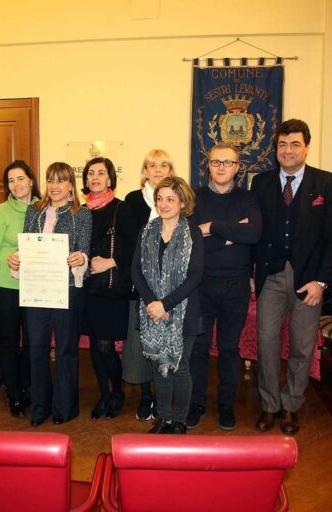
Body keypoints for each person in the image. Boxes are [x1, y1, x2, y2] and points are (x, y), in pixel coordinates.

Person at [251, 119, 332, 435]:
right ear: (275, 148)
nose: (288, 150)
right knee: (266, 342)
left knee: (303, 346)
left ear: (306, 147)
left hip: (309, 281)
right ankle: (269, 404)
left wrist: (321, 281)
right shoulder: (260, 183)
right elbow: (255, 231)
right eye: (282, 144)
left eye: (294, 144)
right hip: (271, 277)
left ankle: (290, 406)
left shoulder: (326, 182)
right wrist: (253, 272)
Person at [9, 162, 92, 427]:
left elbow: (84, 249)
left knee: (66, 351)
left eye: (61, 181)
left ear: (70, 185)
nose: (55, 186)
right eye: (51, 181)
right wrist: (18, 259)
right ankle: (40, 407)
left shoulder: (82, 213)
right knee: (36, 349)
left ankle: (64, 408)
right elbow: (29, 246)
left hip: (66, 290)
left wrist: (81, 258)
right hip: (36, 291)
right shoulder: (34, 211)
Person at [188, 142, 262, 431]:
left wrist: (212, 227)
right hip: (201, 284)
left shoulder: (249, 198)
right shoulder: (195, 197)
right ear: (208, 165)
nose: (221, 167)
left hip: (236, 285)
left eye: (228, 162)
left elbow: (253, 234)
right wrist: (233, 233)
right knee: (200, 348)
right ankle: (196, 404)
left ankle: (225, 406)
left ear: (237, 167)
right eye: (216, 162)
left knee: (230, 349)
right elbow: (192, 242)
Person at [132, 176, 204, 435]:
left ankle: (180, 421)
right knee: (158, 367)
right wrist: (153, 303)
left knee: (179, 367)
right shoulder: (147, 231)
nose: (163, 204)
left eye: (170, 199)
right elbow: (136, 271)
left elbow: (195, 276)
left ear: (182, 202)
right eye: (160, 198)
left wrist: (165, 304)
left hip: (185, 314)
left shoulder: (192, 233)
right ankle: (163, 418)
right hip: (152, 312)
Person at [121, 149, 175, 421]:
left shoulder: (180, 199)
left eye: (163, 165)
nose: (157, 170)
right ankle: (146, 396)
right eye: (152, 165)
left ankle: (166, 397)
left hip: (172, 289)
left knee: (168, 343)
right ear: (144, 171)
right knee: (140, 345)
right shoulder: (132, 201)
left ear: (170, 171)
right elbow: (131, 245)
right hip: (140, 285)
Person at [0, 160, 40, 418]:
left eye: (20, 178)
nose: (16, 184)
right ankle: (14, 393)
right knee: (8, 342)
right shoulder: (2, 211)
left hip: (37, 287)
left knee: (33, 342)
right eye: (11, 180)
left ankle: (28, 385)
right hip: (7, 287)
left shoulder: (44, 208)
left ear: (30, 180)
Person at [82, 157, 132, 420]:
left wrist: (111, 262)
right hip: (86, 288)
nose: (96, 177)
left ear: (110, 179)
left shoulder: (121, 209)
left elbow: (136, 248)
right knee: (94, 345)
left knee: (105, 346)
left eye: (101, 173)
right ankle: (103, 395)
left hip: (111, 290)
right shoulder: (80, 211)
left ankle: (117, 393)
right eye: (91, 173)